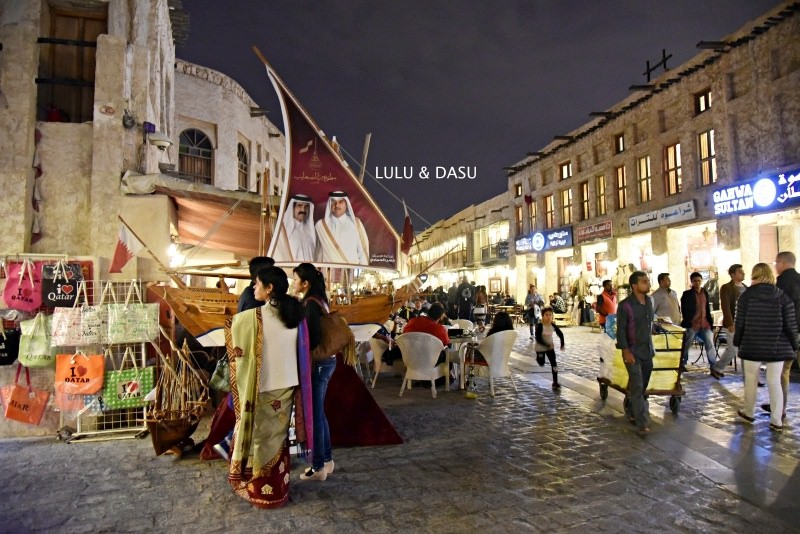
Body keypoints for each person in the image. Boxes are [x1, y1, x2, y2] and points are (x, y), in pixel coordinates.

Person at [225, 266, 312, 508]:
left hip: (264, 385)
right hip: (287, 384)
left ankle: (265, 494)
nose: (254, 287)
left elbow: (233, 334)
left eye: (257, 283)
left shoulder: (252, 318)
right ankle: (279, 488)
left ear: (269, 288)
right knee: (278, 438)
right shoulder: (295, 315)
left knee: (262, 440)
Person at [734, 262, 798, 432]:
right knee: (774, 381)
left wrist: (737, 341)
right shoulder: (782, 296)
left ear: (754, 275)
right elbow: (790, 325)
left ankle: (749, 412)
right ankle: (776, 420)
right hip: (776, 346)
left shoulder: (746, 297)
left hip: (752, 344)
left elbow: (739, 323)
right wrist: (794, 344)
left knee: (750, 380)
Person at [293, 263, 336, 481]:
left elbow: (313, 337)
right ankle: (327, 460)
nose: (294, 283)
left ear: (305, 283)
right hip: (327, 362)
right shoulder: (321, 299)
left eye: (295, 279)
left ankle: (318, 466)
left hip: (318, 363)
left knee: (316, 415)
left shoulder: (310, 303)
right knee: (320, 414)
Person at [615, 270, 655, 435]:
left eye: (647, 281)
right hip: (632, 351)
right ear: (634, 286)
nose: (648, 284)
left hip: (647, 351)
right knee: (638, 385)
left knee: (642, 385)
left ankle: (632, 405)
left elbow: (649, 324)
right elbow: (621, 330)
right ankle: (642, 423)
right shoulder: (625, 306)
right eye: (644, 281)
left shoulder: (649, 302)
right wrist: (625, 351)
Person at [761, 251, 800, 418]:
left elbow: (780, 309)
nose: (775, 266)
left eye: (776, 263)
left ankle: (780, 407)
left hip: (787, 333)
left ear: (782, 263)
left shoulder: (782, 282)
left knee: (782, 371)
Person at [679, 272, 721, 377]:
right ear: (692, 282)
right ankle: (681, 364)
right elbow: (684, 310)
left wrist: (710, 324)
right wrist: (688, 322)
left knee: (710, 345)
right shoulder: (687, 294)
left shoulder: (704, 292)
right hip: (693, 325)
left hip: (705, 324)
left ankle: (713, 367)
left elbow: (706, 308)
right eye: (695, 281)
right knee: (686, 345)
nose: (697, 283)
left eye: (699, 280)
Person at [315, 191, 369, 265]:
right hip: (326, 272)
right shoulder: (320, 225)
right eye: (333, 201)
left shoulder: (356, 224)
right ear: (329, 204)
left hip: (350, 271)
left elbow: (363, 252)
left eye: (340, 202)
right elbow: (317, 252)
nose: (336, 205)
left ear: (346, 204)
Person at [715, 264, 746, 374]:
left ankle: (750, 376)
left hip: (745, 324)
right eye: (740, 272)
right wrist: (730, 323)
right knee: (733, 349)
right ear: (733, 274)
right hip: (733, 323)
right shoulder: (726, 288)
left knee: (745, 350)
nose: (743, 273)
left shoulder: (746, 287)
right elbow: (725, 306)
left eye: (743, 271)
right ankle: (717, 367)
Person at [273, 194, 316, 262]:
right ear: (292, 208)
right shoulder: (283, 231)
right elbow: (278, 256)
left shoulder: (310, 231)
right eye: (299, 205)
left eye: (306, 206)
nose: (303, 209)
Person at [534, 307, 565, 390]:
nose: (548, 317)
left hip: (550, 348)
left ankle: (555, 382)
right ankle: (539, 358)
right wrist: (546, 345)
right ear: (543, 316)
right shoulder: (540, 326)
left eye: (550, 315)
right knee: (541, 363)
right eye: (546, 315)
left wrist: (562, 344)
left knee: (554, 364)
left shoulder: (552, 325)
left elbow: (560, 334)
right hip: (540, 347)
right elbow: (538, 338)